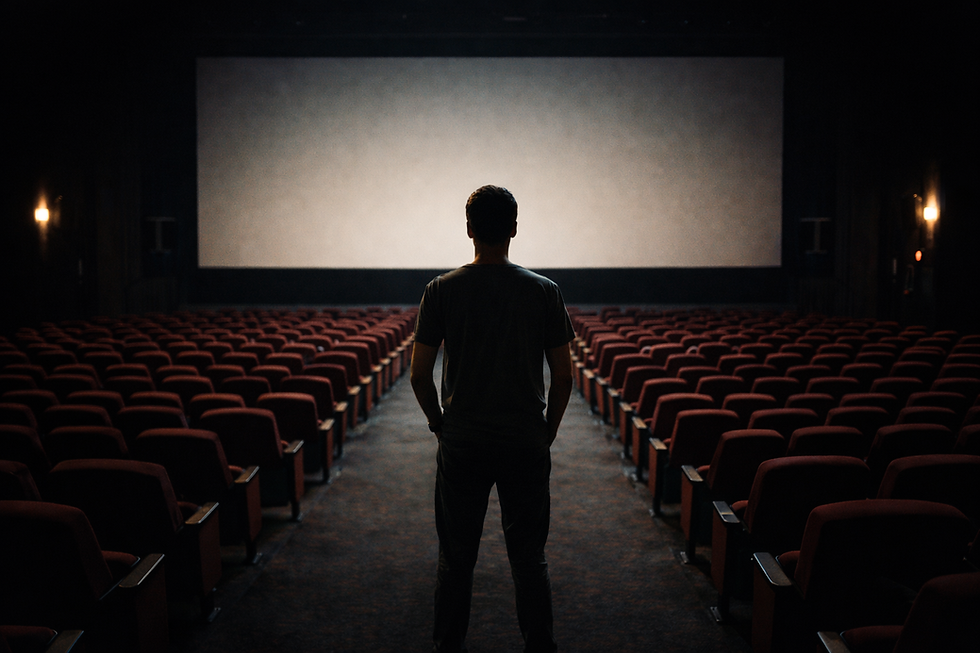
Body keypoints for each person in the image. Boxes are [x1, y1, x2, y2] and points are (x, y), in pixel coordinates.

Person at [410, 185, 575, 653]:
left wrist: (439, 423)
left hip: (462, 440)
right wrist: (550, 430)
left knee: (455, 559)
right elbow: (562, 377)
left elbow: (420, 376)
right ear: (514, 229)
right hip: (525, 439)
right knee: (529, 558)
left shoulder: (440, 290)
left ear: (469, 230)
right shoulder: (545, 292)